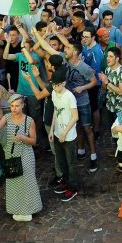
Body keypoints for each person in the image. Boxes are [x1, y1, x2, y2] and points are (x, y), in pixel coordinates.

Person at [0, 93, 42, 222]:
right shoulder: (7, 117)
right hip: (11, 154)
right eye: (12, 106)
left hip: (25, 154)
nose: (14, 109)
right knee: (13, 182)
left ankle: (28, 210)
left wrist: (22, 138)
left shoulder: (29, 121)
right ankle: (16, 209)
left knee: (27, 182)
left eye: (17, 106)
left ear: (22, 105)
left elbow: (33, 141)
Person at [50, 68, 80, 202]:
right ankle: (66, 182)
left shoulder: (69, 96)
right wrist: (52, 130)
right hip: (58, 133)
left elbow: (75, 117)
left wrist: (64, 133)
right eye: (53, 85)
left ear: (63, 83)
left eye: (57, 85)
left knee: (71, 163)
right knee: (61, 161)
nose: (55, 87)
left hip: (68, 136)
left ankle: (73, 187)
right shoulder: (53, 93)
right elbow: (55, 111)